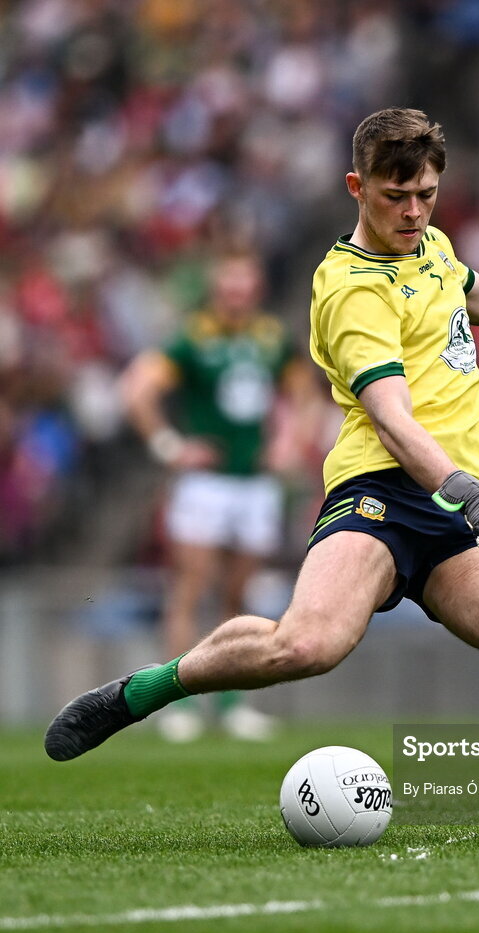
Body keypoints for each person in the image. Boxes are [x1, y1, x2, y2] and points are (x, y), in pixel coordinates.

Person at [45, 108, 479, 840]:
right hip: (384, 490)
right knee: (306, 646)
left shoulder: (431, 245)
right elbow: (392, 417)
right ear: (357, 186)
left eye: (426, 193)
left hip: (459, 502)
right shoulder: (350, 288)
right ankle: (146, 691)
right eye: (396, 196)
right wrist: (469, 491)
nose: (414, 211)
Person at [119, 251, 317, 741]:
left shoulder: (270, 338)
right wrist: (171, 447)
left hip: (254, 484)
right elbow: (137, 390)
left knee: (239, 595)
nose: (237, 292)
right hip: (205, 484)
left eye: (244, 282)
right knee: (190, 587)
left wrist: (288, 442)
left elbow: (306, 395)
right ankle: (177, 700)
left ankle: (231, 703)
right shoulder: (193, 337)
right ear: (216, 287)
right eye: (229, 282)